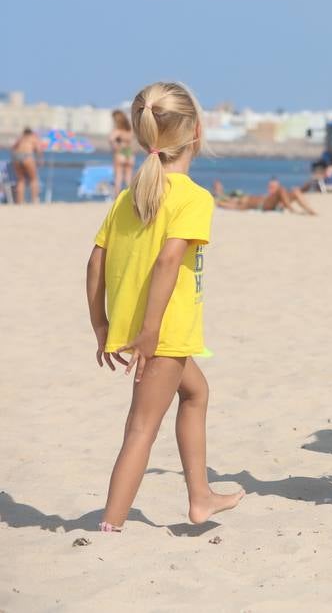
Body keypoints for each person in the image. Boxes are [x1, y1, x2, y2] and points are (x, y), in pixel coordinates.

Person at [84, 82, 244, 531]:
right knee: (141, 427)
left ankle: (201, 497)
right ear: (194, 132)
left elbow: (95, 261)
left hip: (144, 329)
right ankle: (110, 525)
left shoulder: (128, 196)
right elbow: (169, 259)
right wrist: (151, 330)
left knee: (196, 393)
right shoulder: (192, 196)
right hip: (162, 331)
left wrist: (101, 325)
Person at [212, 177, 320, 215]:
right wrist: (218, 202)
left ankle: (310, 211)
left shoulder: (234, 195)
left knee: (296, 191)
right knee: (282, 190)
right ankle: (292, 210)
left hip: (266, 202)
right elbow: (231, 206)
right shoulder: (238, 202)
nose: (219, 187)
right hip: (262, 204)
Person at [9, 127, 42, 204]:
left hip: (17, 157)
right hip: (27, 156)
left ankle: (20, 201)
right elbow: (38, 150)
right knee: (34, 179)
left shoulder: (20, 138)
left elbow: (13, 148)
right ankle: (34, 200)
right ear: (31, 132)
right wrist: (40, 160)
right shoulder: (33, 138)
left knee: (20, 180)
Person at [110, 110, 136, 196]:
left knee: (118, 177)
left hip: (120, 153)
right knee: (128, 178)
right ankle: (129, 197)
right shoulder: (129, 130)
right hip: (130, 154)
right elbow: (132, 143)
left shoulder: (117, 131)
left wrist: (116, 147)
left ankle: (117, 198)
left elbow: (111, 139)